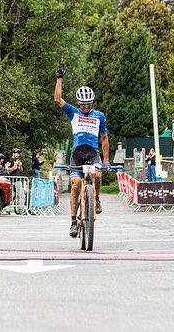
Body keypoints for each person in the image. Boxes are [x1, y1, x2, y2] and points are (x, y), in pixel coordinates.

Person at [54, 64, 109, 238]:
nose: (86, 107)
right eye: (83, 104)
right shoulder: (73, 113)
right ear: (78, 103)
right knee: (75, 185)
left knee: (98, 175)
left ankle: (96, 198)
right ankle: (72, 221)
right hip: (77, 154)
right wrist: (59, 78)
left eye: (89, 104)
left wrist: (106, 160)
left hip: (93, 153)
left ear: (93, 103)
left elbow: (105, 138)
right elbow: (57, 99)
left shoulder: (99, 116)